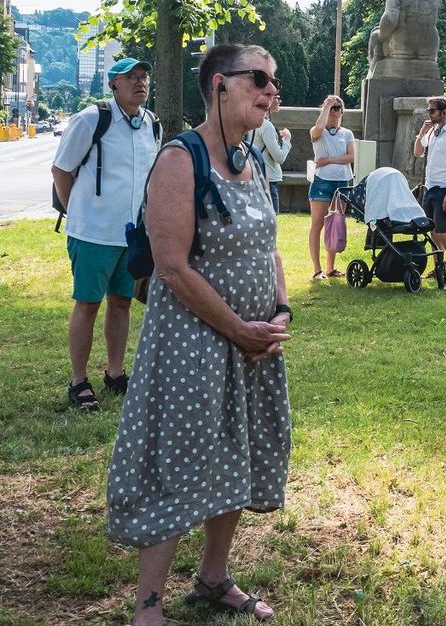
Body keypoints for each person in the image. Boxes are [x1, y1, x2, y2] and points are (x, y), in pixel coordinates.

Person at [107, 43, 291, 625]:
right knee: (176, 462)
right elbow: (171, 267)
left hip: (252, 347)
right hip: (195, 347)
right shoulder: (180, 160)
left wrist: (281, 309)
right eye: (258, 79)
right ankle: (148, 606)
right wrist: (239, 329)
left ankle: (213, 578)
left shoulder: (253, 158)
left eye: (274, 83)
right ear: (218, 85)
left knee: (237, 455)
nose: (270, 91)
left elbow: (270, 246)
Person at [50, 58, 161, 411]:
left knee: (122, 302)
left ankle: (115, 373)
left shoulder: (152, 125)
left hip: (132, 235)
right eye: (131, 78)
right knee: (87, 304)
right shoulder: (91, 119)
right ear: (113, 84)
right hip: (93, 233)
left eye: (143, 77)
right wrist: (77, 212)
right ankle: (78, 381)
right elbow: (61, 169)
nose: (140, 83)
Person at [412, 96, 446, 281]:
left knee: (442, 231)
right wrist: (422, 132)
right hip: (429, 187)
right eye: (428, 110)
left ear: (444, 112)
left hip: (444, 188)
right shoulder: (432, 132)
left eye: (432, 111)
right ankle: (438, 268)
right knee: (433, 231)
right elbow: (418, 152)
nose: (429, 114)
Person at [307, 94, 355, 279]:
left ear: (342, 111)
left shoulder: (347, 133)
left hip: (342, 183)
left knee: (334, 223)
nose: (334, 112)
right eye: (331, 108)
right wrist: (326, 106)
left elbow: (350, 157)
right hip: (322, 183)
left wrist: (329, 160)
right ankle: (317, 269)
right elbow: (319, 128)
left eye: (337, 108)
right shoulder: (318, 131)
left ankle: (330, 267)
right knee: (317, 224)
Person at [248, 92, 291, 213]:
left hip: (254, 175)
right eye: (277, 98)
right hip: (268, 179)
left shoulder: (252, 121)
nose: (280, 101)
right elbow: (279, 157)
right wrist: (287, 140)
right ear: (268, 100)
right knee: (271, 220)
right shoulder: (266, 125)